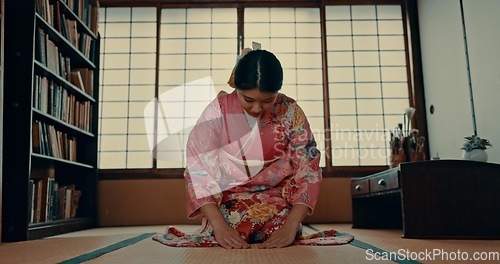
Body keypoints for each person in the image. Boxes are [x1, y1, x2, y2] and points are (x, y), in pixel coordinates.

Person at [153, 48, 344, 249]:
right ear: (237, 88)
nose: (256, 109)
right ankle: (219, 225)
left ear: (277, 92)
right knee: (233, 222)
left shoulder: (290, 110)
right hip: (229, 199)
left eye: (268, 101)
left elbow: (308, 165)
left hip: (276, 198)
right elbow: (198, 167)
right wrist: (219, 225)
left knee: (279, 222)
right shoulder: (218, 110)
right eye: (248, 100)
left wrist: (291, 224)